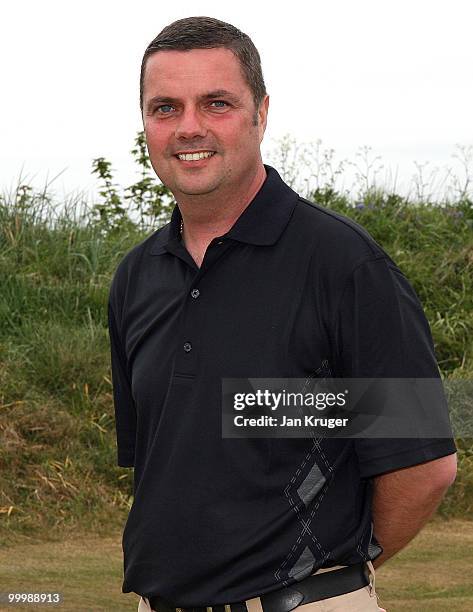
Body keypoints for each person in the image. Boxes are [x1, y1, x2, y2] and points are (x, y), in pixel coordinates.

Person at [107, 16, 457, 612]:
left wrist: (333, 579)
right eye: (165, 107)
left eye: (216, 103)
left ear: (261, 113)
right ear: (145, 122)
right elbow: (156, 463)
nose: (188, 127)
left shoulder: (345, 265)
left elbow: (424, 464)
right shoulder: (136, 277)